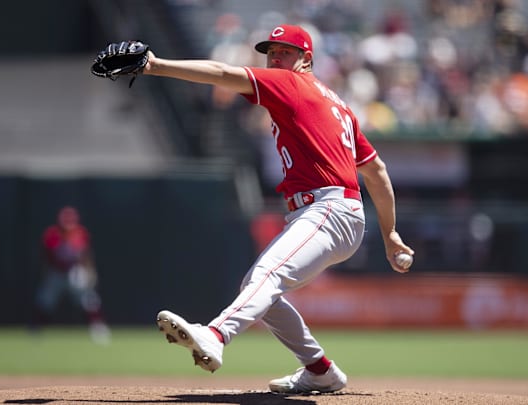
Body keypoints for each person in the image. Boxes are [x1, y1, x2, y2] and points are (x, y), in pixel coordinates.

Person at [146, 24, 414, 393]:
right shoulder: (339, 105)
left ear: (306, 58)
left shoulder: (291, 83)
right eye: (271, 52)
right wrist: (390, 233)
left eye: (284, 51)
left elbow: (224, 74)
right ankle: (320, 370)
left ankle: (215, 335)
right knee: (259, 290)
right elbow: (376, 171)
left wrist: (154, 65)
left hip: (329, 209)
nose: (275, 57)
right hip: (330, 212)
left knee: (265, 279)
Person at [32, 206, 110, 344]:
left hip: (75, 271)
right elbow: (46, 257)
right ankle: (36, 328)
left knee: (89, 299)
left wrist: (90, 271)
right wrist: (46, 273)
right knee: (46, 300)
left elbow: (86, 254)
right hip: (57, 272)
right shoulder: (52, 234)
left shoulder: (80, 233)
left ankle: (98, 328)